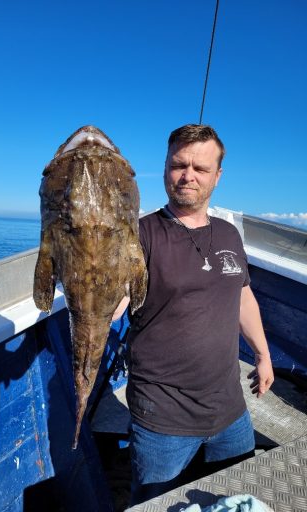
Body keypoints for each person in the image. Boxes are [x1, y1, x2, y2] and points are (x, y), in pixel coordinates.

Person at [114, 124, 274, 506]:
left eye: (200, 168)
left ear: (217, 176)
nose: (188, 175)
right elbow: (113, 304)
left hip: (230, 411)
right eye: (178, 164)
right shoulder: (138, 235)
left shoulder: (228, 234)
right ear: (166, 167)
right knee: (157, 504)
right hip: (162, 419)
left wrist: (263, 355)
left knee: (235, 500)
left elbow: (242, 296)